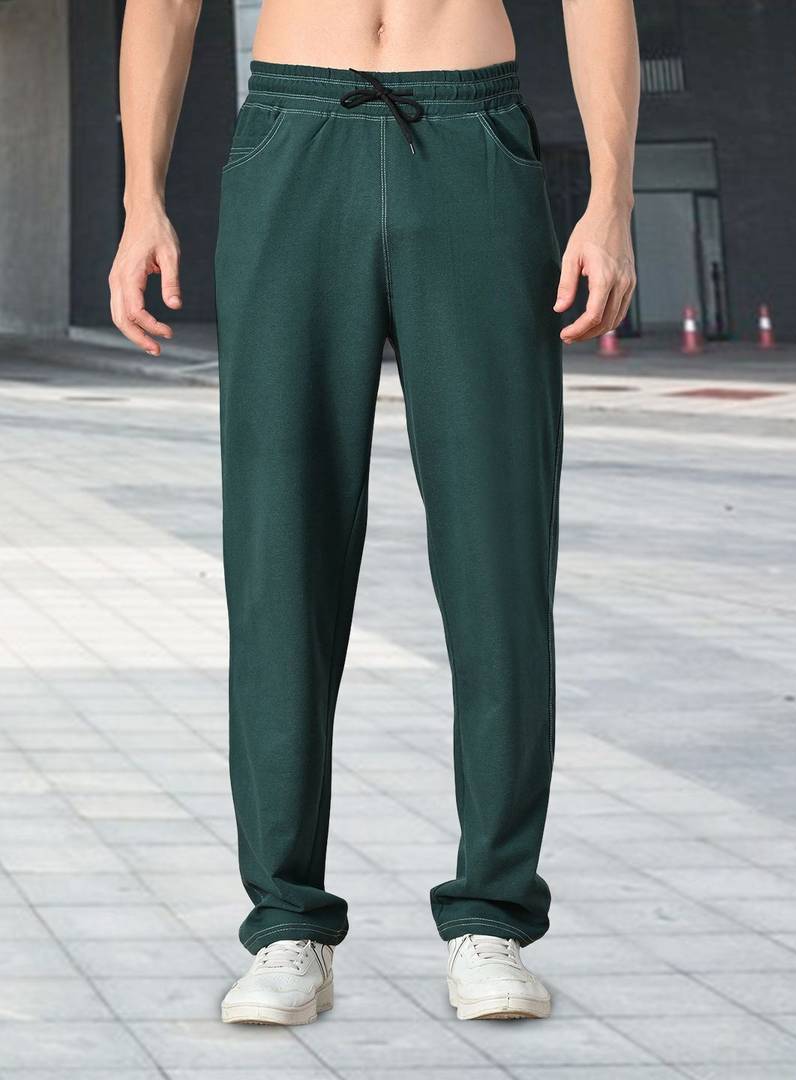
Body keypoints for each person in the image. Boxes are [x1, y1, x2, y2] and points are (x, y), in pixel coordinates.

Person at [109, 0, 639, 1025]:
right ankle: (286, 924)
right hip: (293, 136)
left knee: (500, 555)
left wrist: (611, 201)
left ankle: (492, 917)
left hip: (474, 139)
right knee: (279, 555)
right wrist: (142, 199)